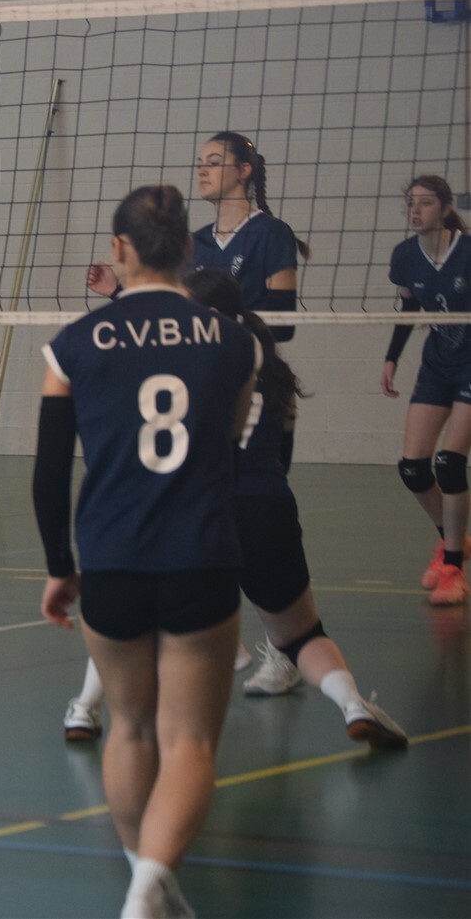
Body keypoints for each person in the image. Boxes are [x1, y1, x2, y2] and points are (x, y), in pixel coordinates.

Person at [63, 268, 407, 753]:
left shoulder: (186, 367)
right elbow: (282, 455)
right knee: (302, 635)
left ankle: (85, 707)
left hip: (200, 509)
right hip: (268, 506)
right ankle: (353, 705)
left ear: (206, 315)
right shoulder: (274, 371)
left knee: (134, 616)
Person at [35, 184, 257, 919]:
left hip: (110, 559)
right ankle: (145, 889)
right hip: (200, 555)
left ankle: (145, 880)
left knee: (127, 727)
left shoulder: (72, 344)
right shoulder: (234, 342)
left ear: (118, 249)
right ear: (188, 248)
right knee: (189, 740)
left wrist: (59, 568)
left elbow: (47, 473)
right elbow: (225, 443)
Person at [89, 131, 306, 342]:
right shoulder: (195, 242)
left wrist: (219, 329)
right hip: (200, 361)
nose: (202, 171)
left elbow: (283, 328)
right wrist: (116, 290)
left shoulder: (272, 233)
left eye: (213, 163)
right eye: (200, 165)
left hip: (250, 360)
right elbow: (167, 317)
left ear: (244, 170)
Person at [382, 174, 471, 607]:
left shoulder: (468, 252)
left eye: (425, 203)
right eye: (411, 203)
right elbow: (409, 307)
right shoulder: (405, 256)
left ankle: (453, 567)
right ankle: (453, 538)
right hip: (437, 363)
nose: (415, 210)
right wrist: (391, 358)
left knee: (450, 463)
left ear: (445, 208)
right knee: (413, 468)